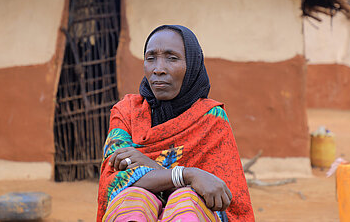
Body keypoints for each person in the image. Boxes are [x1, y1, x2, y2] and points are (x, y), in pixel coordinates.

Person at [97, 25, 254, 222]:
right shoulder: (127, 112)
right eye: (150, 58)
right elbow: (115, 181)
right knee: (134, 198)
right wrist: (189, 175)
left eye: (172, 58)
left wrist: (150, 167)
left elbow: (219, 195)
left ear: (192, 65)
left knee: (187, 201)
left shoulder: (211, 119)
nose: (158, 69)